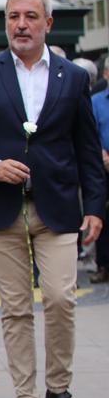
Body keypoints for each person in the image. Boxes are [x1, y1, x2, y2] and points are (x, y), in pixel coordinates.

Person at [0, 0, 106, 398]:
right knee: (15, 309)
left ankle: (60, 391)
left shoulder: (73, 78)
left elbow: (86, 146)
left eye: (30, 17)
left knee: (60, 299)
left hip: (57, 208)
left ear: (47, 23)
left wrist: (94, 206)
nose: (21, 24)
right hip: (2, 210)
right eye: (13, 16)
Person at [91, 78, 109, 282]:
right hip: (103, 165)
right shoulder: (96, 101)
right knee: (102, 217)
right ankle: (103, 265)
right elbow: (90, 133)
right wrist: (102, 156)